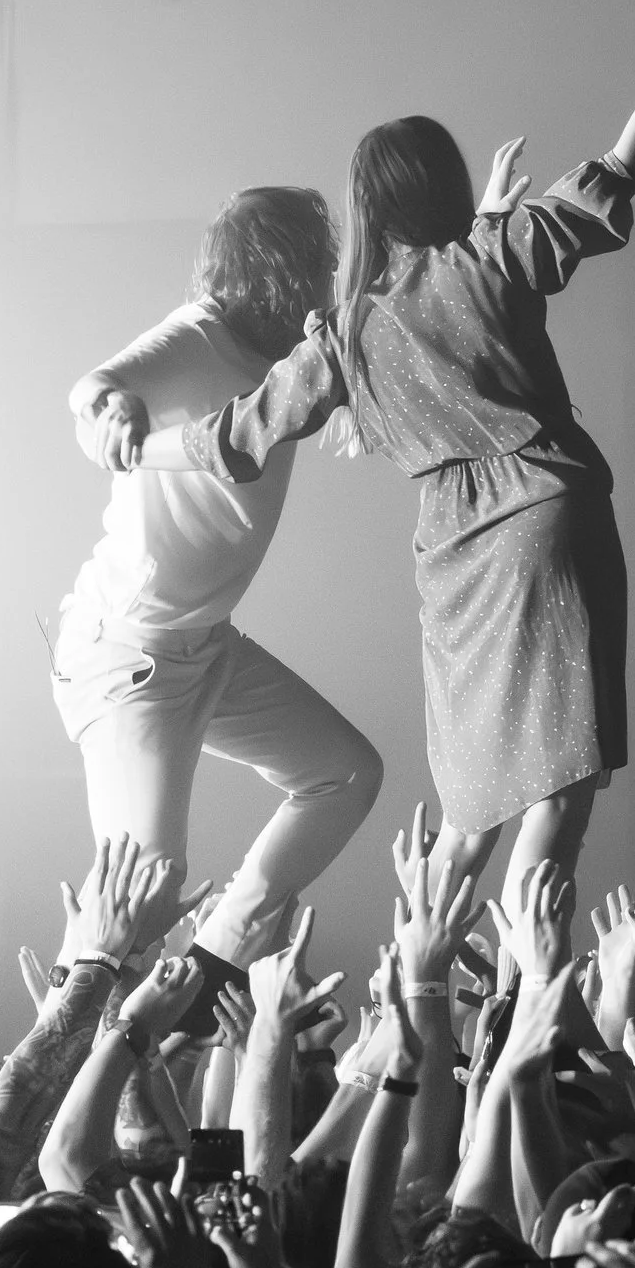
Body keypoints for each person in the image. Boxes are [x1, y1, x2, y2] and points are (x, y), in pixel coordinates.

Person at [146, 0, 635, 896]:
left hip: (453, 565)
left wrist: (142, 445)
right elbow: (630, 159)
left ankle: (419, 1003)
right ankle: (524, 1009)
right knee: (558, 791)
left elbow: (234, 439)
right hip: (549, 519)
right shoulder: (495, 256)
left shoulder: (343, 333)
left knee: (474, 811)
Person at [58, 186, 385, 1010]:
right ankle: (67, 1072)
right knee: (139, 897)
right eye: (318, 270)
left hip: (207, 645)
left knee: (345, 774)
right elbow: (95, 386)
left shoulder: (297, 354)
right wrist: (108, 409)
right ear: (277, 274)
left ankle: (211, 968)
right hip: (127, 656)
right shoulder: (196, 331)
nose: (327, 285)